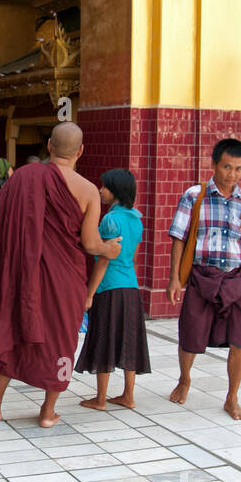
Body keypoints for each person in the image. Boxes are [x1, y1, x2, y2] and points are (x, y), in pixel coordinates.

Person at [0, 123, 122, 428]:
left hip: (22, 275)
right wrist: (109, 249)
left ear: (49, 146)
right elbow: (90, 244)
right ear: (80, 151)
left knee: (12, 329)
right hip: (65, 280)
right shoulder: (88, 190)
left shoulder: (22, 177)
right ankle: (48, 412)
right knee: (61, 338)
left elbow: (4, 227)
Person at [167, 138, 241, 421]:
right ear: (214, 164)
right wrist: (174, 279)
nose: (232, 174)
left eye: (238, 169)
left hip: (237, 278)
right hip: (201, 275)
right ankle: (185, 379)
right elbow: (179, 238)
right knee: (190, 333)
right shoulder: (194, 196)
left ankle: (232, 398)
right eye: (227, 167)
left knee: (240, 340)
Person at [77, 169, 151, 410]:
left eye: (105, 187)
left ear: (116, 191)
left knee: (104, 338)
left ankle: (100, 399)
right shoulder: (136, 219)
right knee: (129, 339)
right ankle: (128, 395)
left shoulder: (110, 220)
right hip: (131, 287)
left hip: (109, 287)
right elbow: (133, 257)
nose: (100, 190)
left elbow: (104, 260)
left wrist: (89, 294)